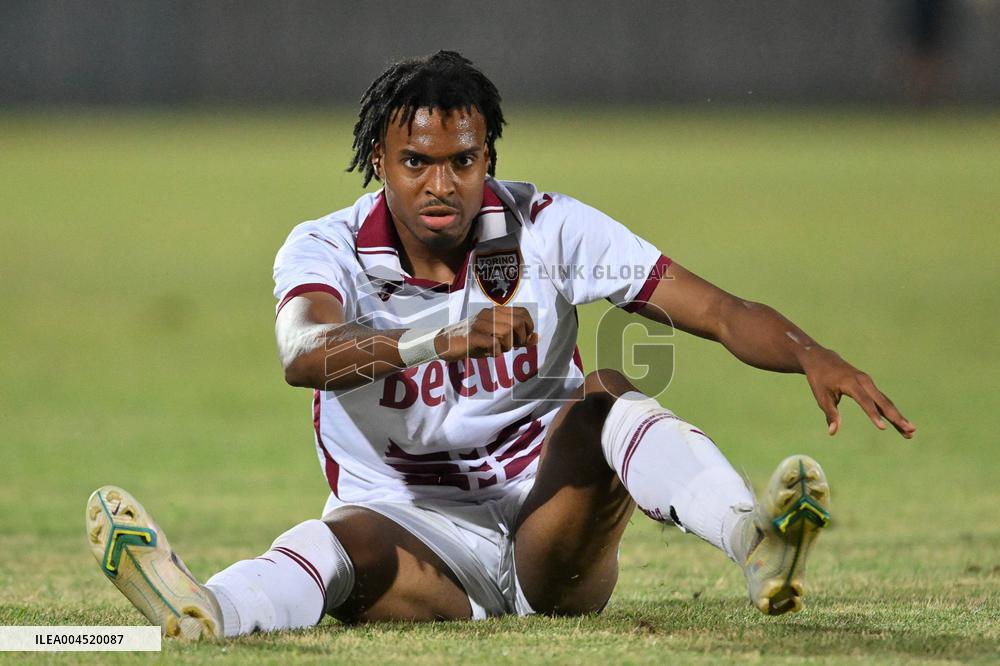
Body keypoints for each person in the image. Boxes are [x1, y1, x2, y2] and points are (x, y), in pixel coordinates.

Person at [86, 51, 915, 639]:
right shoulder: (326, 245)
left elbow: (722, 312)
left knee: (606, 397)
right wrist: (437, 338)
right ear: (379, 158)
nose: (440, 184)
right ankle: (203, 610)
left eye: (462, 160)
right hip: (408, 532)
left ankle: (756, 543)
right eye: (416, 162)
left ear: (490, 157)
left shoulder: (549, 224)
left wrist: (812, 352)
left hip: (548, 526)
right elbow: (303, 353)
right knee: (334, 545)